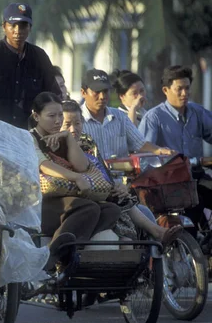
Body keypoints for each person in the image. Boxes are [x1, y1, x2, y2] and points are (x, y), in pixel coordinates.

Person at [61, 99, 181, 245]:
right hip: (85, 200)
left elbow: (103, 173)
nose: (73, 129)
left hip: (105, 194)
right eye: (67, 125)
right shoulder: (57, 149)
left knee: (131, 214)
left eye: (78, 123)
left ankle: (153, 245)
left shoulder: (88, 143)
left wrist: (117, 187)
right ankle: (156, 232)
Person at [30, 92, 121, 259]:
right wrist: (76, 178)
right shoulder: (30, 137)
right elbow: (43, 165)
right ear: (36, 116)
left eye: (59, 115)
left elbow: (82, 167)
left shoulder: (64, 138)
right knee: (89, 208)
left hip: (71, 198)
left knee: (112, 210)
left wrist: (68, 138)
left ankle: (72, 251)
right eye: (51, 116)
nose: (58, 121)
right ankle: (51, 257)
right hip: (42, 203)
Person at [139, 65, 212, 228]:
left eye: (187, 88)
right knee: (191, 216)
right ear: (166, 90)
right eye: (179, 89)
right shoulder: (153, 118)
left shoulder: (197, 112)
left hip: (196, 177)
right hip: (169, 184)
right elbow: (143, 155)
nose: (184, 93)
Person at [0, 2, 60, 129]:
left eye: (23, 26)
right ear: (4, 27)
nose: (18, 31)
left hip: (31, 135)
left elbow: (53, 95)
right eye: (13, 25)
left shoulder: (39, 56)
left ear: (30, 27)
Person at [80, 69, 174, 160]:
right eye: (97, 92)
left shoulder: (120, 117)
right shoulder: (75, 120)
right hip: (90, 176)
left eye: (105, 91)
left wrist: (160, 150)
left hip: (120, 175)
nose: (102, 96)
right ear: (83, 92)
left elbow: (140, 143)